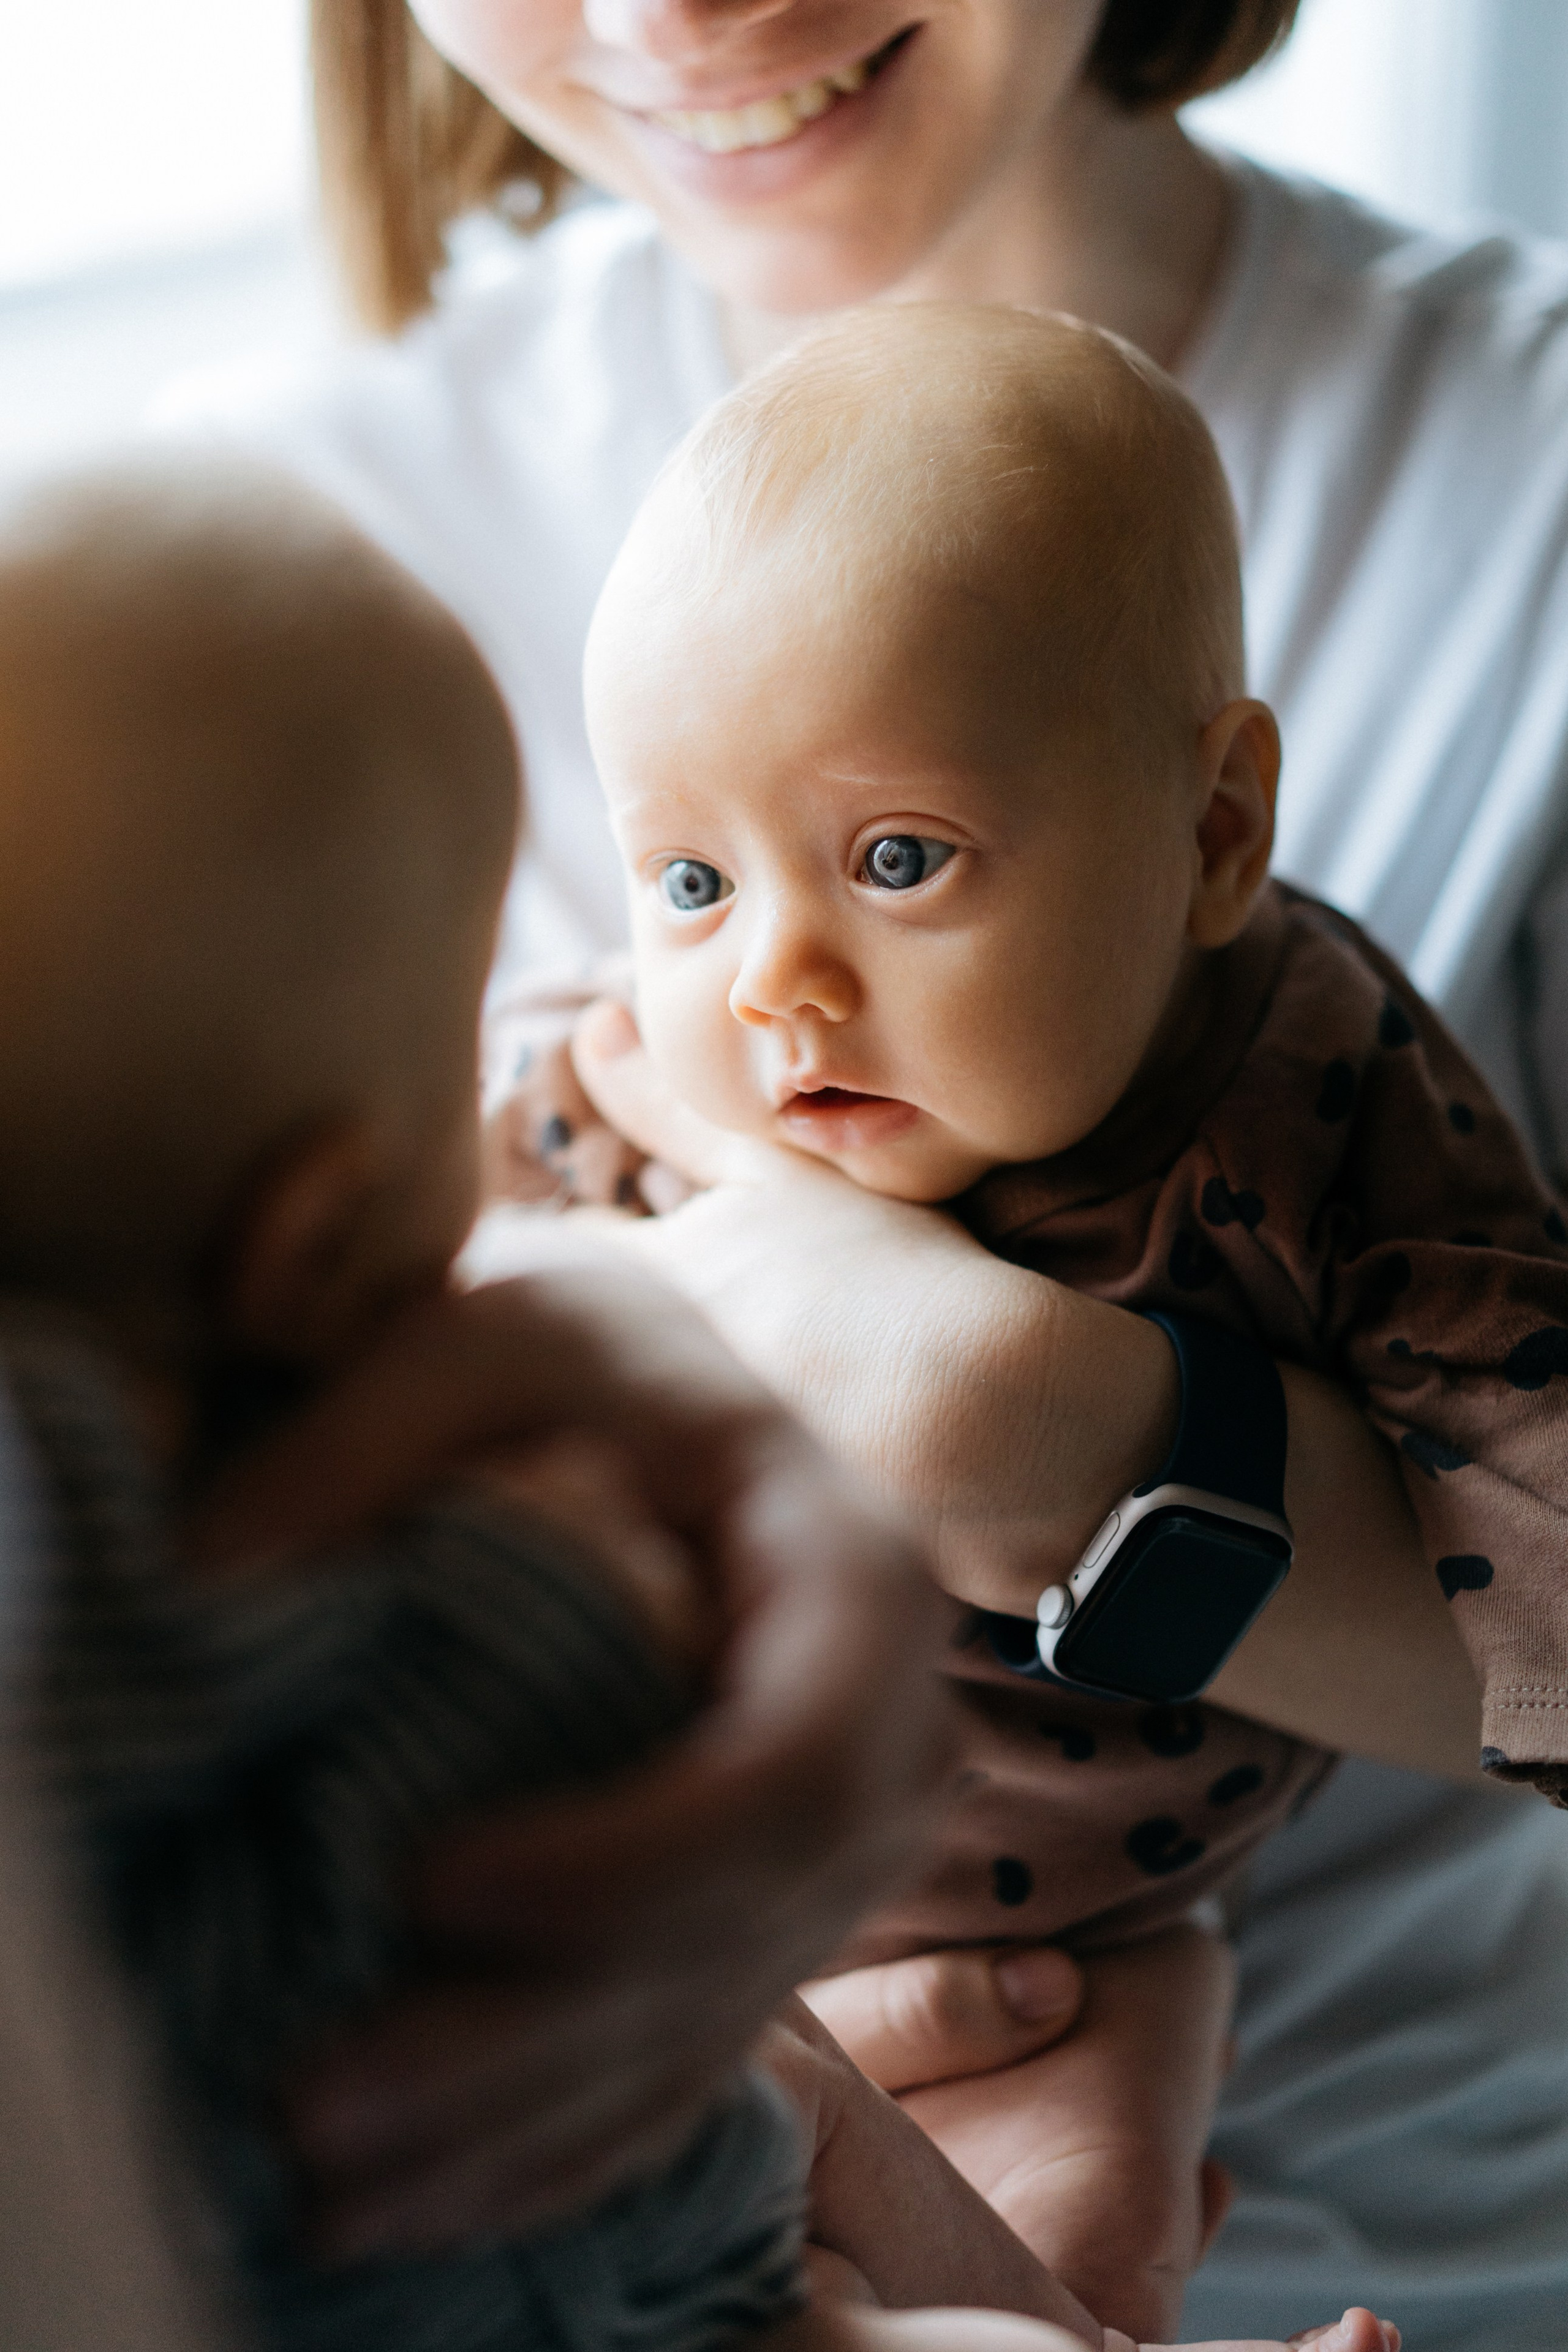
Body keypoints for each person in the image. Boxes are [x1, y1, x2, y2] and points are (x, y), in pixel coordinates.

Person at [159, 2, 1568, 2342]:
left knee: (1073, 2218)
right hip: (589, 2047)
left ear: (1219, 826)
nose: (676, 11)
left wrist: (1056, 1440)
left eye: (904, 859)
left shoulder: (1337, 996)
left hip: (1267, 2067)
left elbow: (1514, 1421)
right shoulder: (222, 573)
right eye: (689, 886)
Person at [0, 453, 1401, 2352]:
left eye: (899, 856)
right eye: (687, 885)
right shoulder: (482, 1598)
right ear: (316, 1239)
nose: (777, 985)